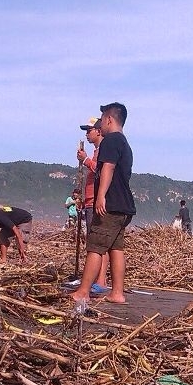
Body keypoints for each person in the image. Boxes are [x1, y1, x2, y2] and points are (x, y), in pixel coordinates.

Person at [71, 102, 135, 305]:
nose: (100, 125)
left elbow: (108, 168)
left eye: (102, 119)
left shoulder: (111, 140)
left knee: (96, 247)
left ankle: (83, 291)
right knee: (116, 249)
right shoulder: (125, 143)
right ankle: (117, 293)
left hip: (110, 204)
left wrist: (100, 196)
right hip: (123, 206)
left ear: (109, 119)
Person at [76, 117, 109, 294]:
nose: (87, 134)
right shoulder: (97, 150)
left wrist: (86, 160)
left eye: (89, 131)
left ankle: (100, 280)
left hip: (95, 201)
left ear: (98, 130)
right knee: (95, 241)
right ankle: (97, 279)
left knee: (97, 243)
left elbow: (102, 170)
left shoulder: (102, 150)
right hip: (89, 200)